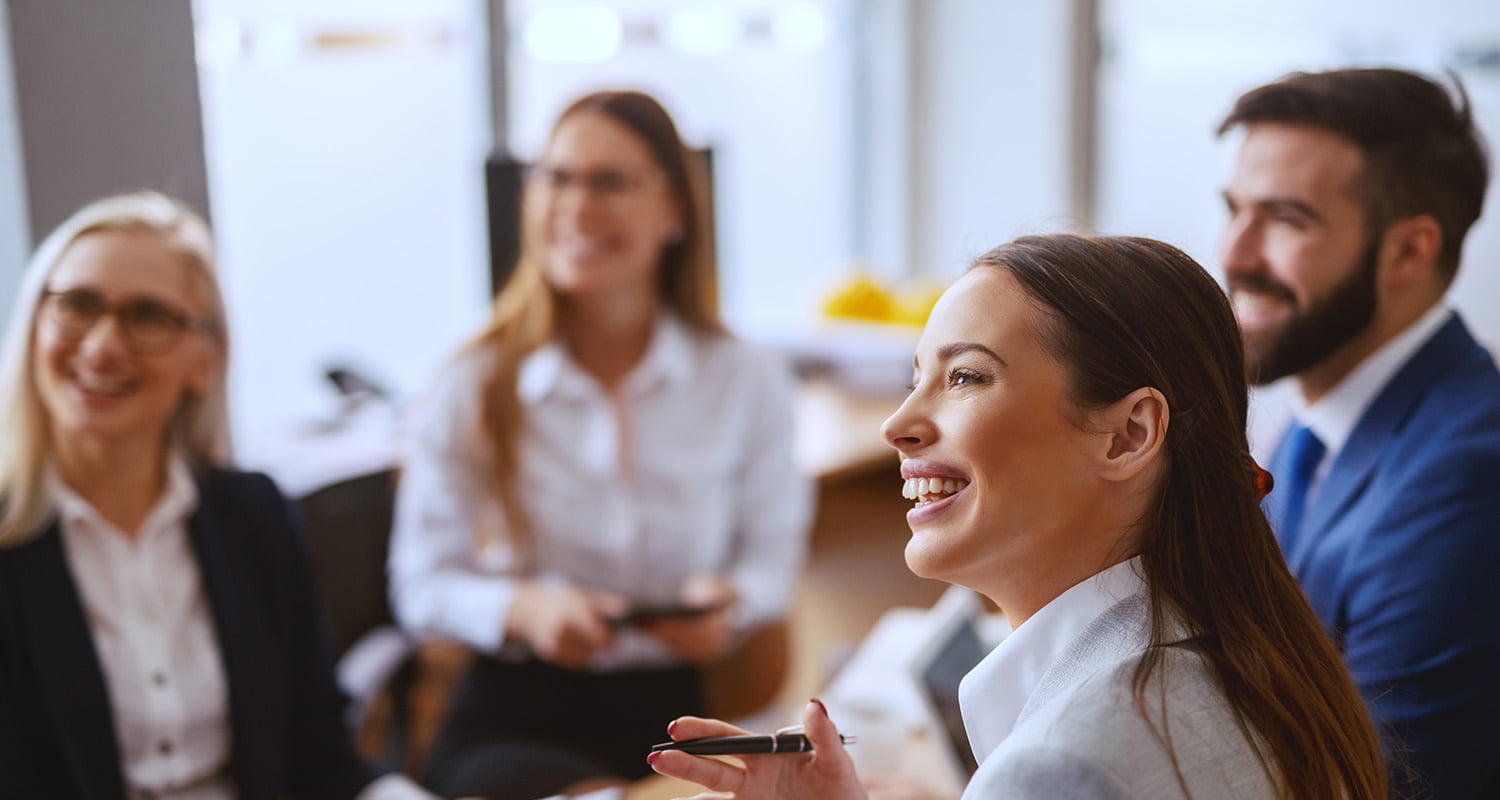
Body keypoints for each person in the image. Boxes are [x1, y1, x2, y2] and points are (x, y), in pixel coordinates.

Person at [649, 234, 1387, 800]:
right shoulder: (1240, 662)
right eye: (917, 379)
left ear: (1129, 434)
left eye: (966, 377)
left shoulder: (1062, 764)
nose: (899, 424)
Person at [388, 89, 813, 800]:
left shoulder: (747, 379)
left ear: (675, 209)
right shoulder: (473, 380)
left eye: (609, 181)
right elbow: (421, 585)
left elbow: (775, 560)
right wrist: (522, 609)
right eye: (555, 178)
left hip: (677, 717)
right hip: (510, 722)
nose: (576, 206)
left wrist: (730, 603)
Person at [0, 192, 440, 799]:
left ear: (203, 360)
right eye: (77, 305)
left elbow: (322, 759)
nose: (102, 345)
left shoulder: (252, 516)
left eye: (147, 316)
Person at [1218, 68, 1500, 798]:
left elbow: (1372, 785)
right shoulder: (1309, 426)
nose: (1236, 256)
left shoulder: (1468, 475)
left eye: (1285, 219)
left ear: (1408, 252)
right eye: (1234, 210)